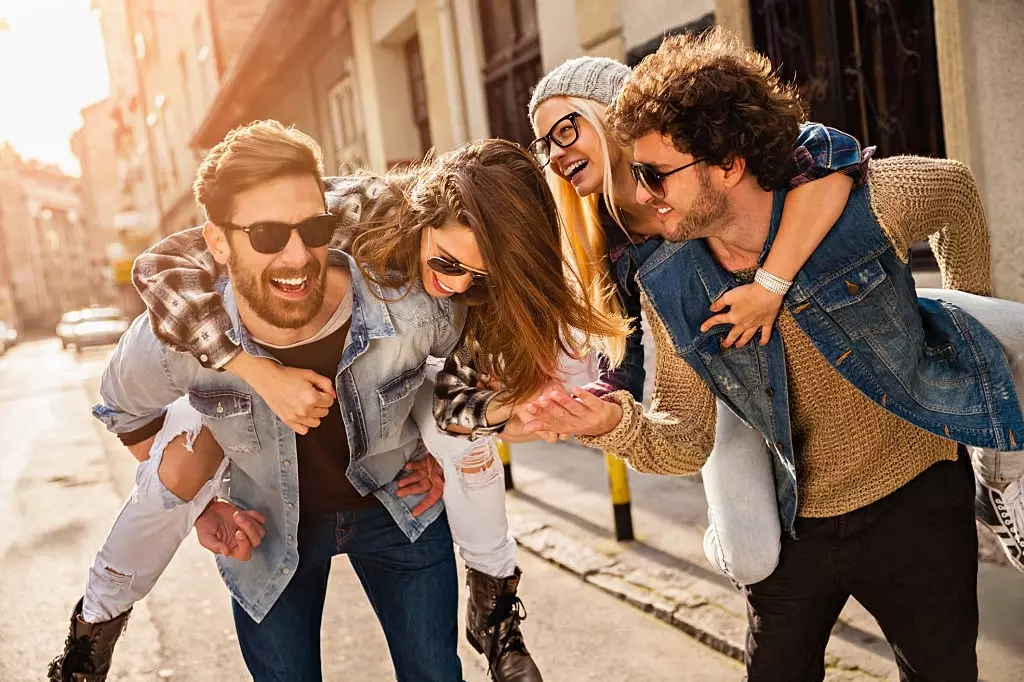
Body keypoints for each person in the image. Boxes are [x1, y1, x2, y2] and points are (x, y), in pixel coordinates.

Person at [520, 28, 1024, 681]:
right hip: (795, 526)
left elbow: (952, 192)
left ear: (727, 164)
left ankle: (999, 466)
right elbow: (684, 438)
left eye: (654, 176)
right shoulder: (667, 281)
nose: (640, 197)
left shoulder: (861, 203)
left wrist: (959, 317)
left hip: (918, 500)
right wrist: (609, 424)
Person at [50, 122, 624, 681]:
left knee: (461, 449)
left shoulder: (435, 302)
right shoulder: (342, 213)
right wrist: (252, 373)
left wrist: (504, 415)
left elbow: (455, 400)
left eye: (477, 279)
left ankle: (496, 611)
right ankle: (92, 632)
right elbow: (156, 272)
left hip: (393, 494)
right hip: (266, 517)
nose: (454, 286)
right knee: (178, 462)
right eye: (447, 264)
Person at [455, 54, 866, 585]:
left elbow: (836, 154)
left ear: (606, 114)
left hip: (821, 349)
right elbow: (620, 359)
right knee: (749, 557)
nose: (556, 155)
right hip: (722, 390)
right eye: (546, 144)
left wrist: (770, 285)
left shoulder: (711, 157)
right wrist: (583, 410)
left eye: (565, 130)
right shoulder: (605, 240)